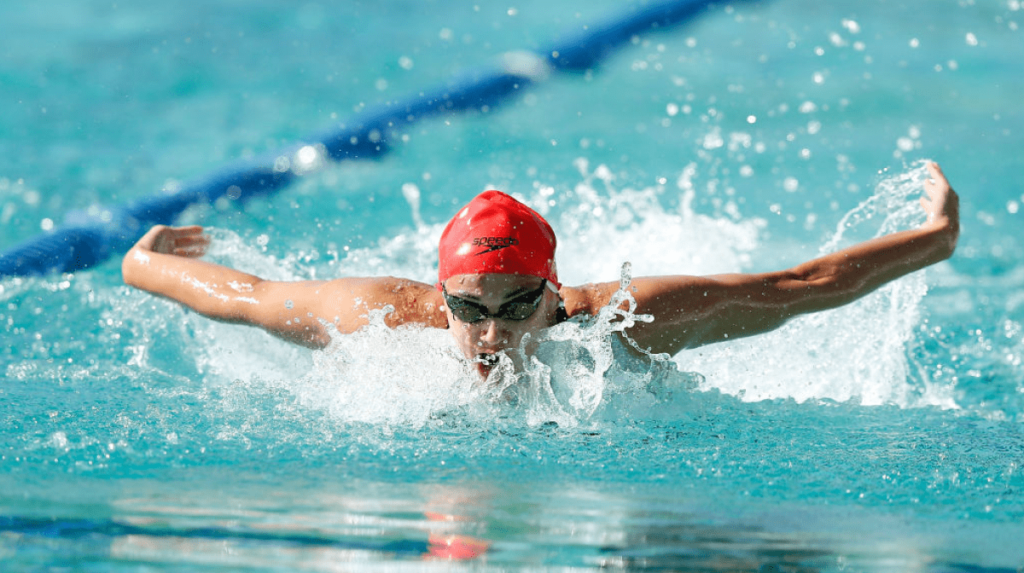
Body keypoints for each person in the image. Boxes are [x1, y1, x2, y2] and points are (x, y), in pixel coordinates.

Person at [122, 162, 959, 379]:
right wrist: (141, 261)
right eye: (470, 307)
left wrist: (934, 239)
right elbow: (246, 297)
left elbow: (797, 287)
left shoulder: (621, 324)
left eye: (520, 304)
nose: (491, 334)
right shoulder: (380, 321)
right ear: (439, 293)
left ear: (554, 295)